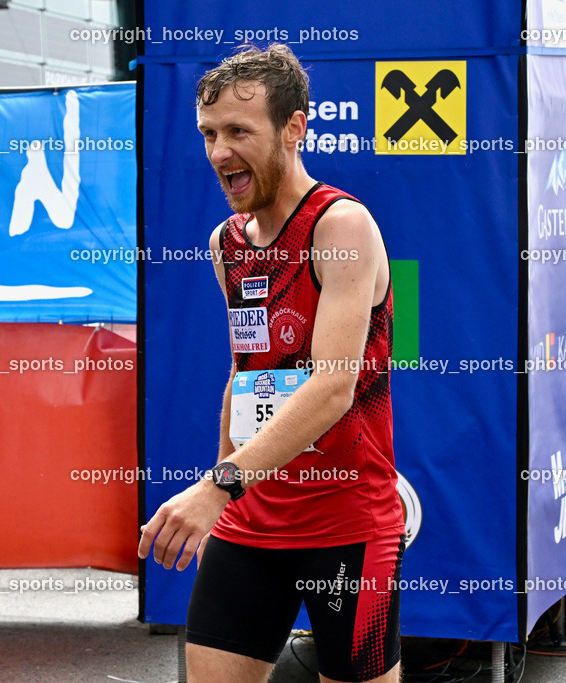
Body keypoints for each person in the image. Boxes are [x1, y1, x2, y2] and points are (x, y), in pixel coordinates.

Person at [137, 44, 405, 683]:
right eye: (208, 134)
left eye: (237, 132)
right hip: (251, 517)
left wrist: (215, 488)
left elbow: (333, 387)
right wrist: (225, 488)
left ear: (293, 128)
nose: (218, 152)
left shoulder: (341, 226)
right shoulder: (226, 243)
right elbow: (246, 371)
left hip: (348, 522)